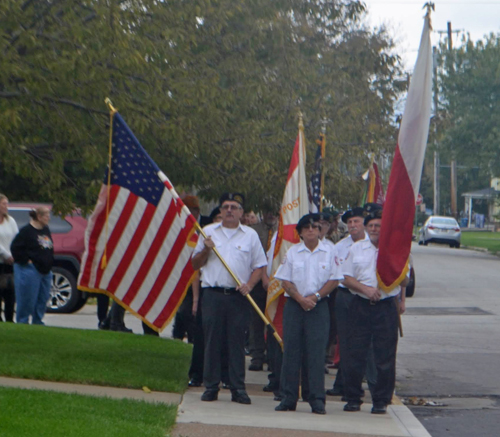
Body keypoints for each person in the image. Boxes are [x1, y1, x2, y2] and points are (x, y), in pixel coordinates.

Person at [192, 192, 267, 405]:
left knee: (236, 344)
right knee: (212, 342)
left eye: (234, 207)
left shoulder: (250, 235)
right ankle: (211, 387)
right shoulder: (207, 232)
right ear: (221, 210)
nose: (230, 210)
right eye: (226, 206)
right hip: (213, 295)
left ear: (242, 212)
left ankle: (237, 388)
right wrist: (206, 250)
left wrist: (250, 285)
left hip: (238, 297)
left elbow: (259, 265)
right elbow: (195, 265)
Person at [274, 214, 343, 415]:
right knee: (291, 352)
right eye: (307, 228)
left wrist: (315, 297)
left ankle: (316, 399)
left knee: (315, 353)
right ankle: (288, 398)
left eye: (315, 227)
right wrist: (299, 298)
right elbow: (284, 280)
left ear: (320, 230)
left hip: (319, 306)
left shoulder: (329, 252)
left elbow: (335, 279)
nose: (311, 230)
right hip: (295, 306)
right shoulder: (293, 252)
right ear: (301, 233)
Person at [342, 208, 409, 414]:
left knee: (385, 356)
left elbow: (406, 280)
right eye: (370, 225)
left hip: (386, 307)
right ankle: (353, 398)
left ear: (385, 228)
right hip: (361, 305)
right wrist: (366, 290)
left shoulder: (395, 250)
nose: (373, 229)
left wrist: (397, 270)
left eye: (377, 225)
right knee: (355, 353)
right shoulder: (356, 249)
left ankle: (381, 400)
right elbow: (346, 278)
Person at [326, 207, 374, 397]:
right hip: (345, 296)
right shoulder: (341, 246)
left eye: (357, 221)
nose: (353, 225)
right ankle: (343, 385)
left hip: (368, 297)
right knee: (345, 342)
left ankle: (366, 384)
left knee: (366, 343)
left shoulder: (373, 244)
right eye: (350, 222)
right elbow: (337, 273)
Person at [11, 206, 54, 325]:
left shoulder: (45, 230)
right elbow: (15, 248)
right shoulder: (26, 231)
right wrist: (27, 261)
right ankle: (23, 322)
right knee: (27, 298)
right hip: (30, 270)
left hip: (45, 270)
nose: (49, 218)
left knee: (43, 298)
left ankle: (37, 321)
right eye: (46, 215)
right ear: (39, 217)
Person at [248, 209, 278, 371]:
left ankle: (273, 355)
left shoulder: (283, 231)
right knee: (257, 321)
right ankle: (257, 355)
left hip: (279, 283)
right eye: (268, 211)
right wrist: (263, 278)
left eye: (274, 211)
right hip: (258, 282)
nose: (271, 215)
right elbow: (256, 256)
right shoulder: (254, 231)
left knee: (274, 319)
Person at [0, 194, 19, 322]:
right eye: (4, 204)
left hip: (10, 263)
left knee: (10, 293)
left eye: (7, 203)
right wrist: (5, 254)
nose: (7, 206)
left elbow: (16, 238)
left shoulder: (10, 220)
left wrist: (13, 255)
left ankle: (9, 319)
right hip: (1, 260)